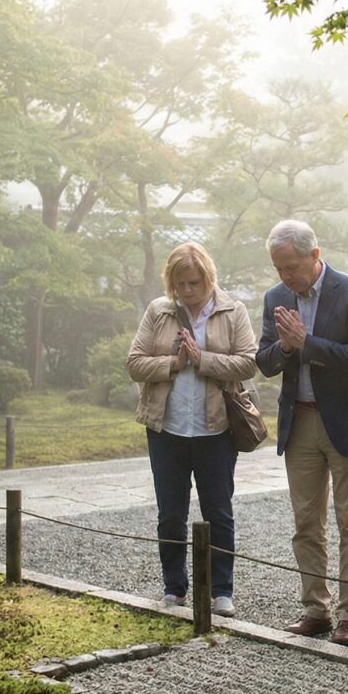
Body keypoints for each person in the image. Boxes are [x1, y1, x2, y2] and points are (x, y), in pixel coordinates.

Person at [256, 219, 348, 646]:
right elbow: (265, 360)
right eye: (279, 268)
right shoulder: (275, 298)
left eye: (292, 266)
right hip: (300, 421)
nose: (286, 277)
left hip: (347, 421)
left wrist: (307, 342)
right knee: (305, 523)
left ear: (315, 255)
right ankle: (316, 608)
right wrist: (286, 347)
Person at [126, 242, 257, 616]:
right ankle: (174, 587)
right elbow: (135, 363)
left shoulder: (232, 310)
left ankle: (221, 592)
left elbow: (248, 363)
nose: (187, 291)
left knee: (219, 511)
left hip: (215, 430)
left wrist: (203, 361)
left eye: (194, 283)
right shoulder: (159, 311)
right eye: (180, 283)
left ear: (208, 278)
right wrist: (173, 362)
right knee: (170, 512)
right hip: (166, 429)